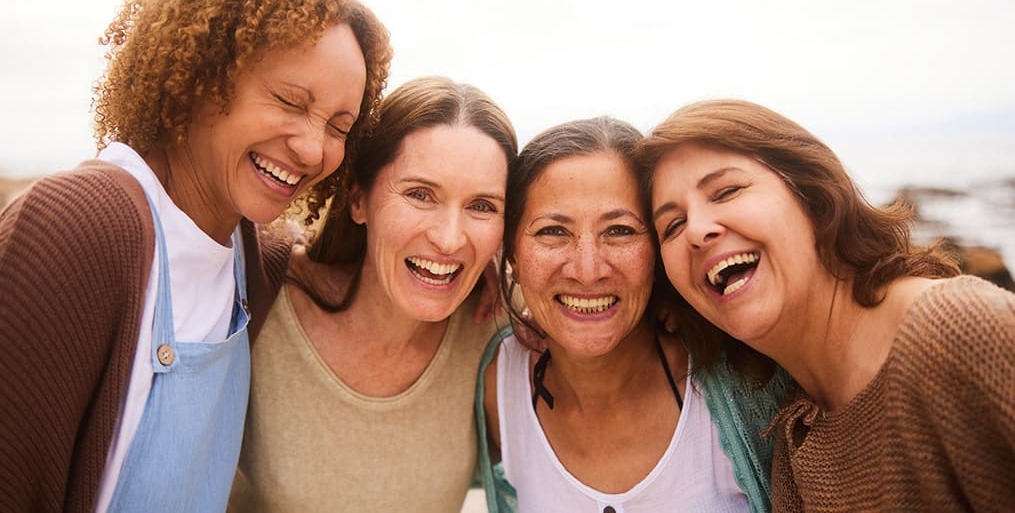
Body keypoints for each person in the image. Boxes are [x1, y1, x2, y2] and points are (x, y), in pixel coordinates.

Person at [0, 0, 391, 510]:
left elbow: (327, 261)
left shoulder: (252, 259)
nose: (312, 149)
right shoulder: (78, 225)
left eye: (339, 127)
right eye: (289, 101)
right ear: (200, 77)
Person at [637, 99, 1015, 511]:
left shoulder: (958, 332)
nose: (697, 230)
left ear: (812, 196)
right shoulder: (792, 433)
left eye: (726, 191)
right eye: (672, 225)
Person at [229, 76, 517, 512]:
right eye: (421, 194)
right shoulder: (264, 297)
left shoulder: (494, 330)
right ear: (358, 199)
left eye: (482, 206)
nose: (450, 238)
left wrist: (511, 268)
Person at [474, 116, 788, 513]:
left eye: (620, 230)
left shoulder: (746, 378)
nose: (588, 270)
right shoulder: (495, 383)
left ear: (657, 250)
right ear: (513, 255)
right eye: (553, 231)